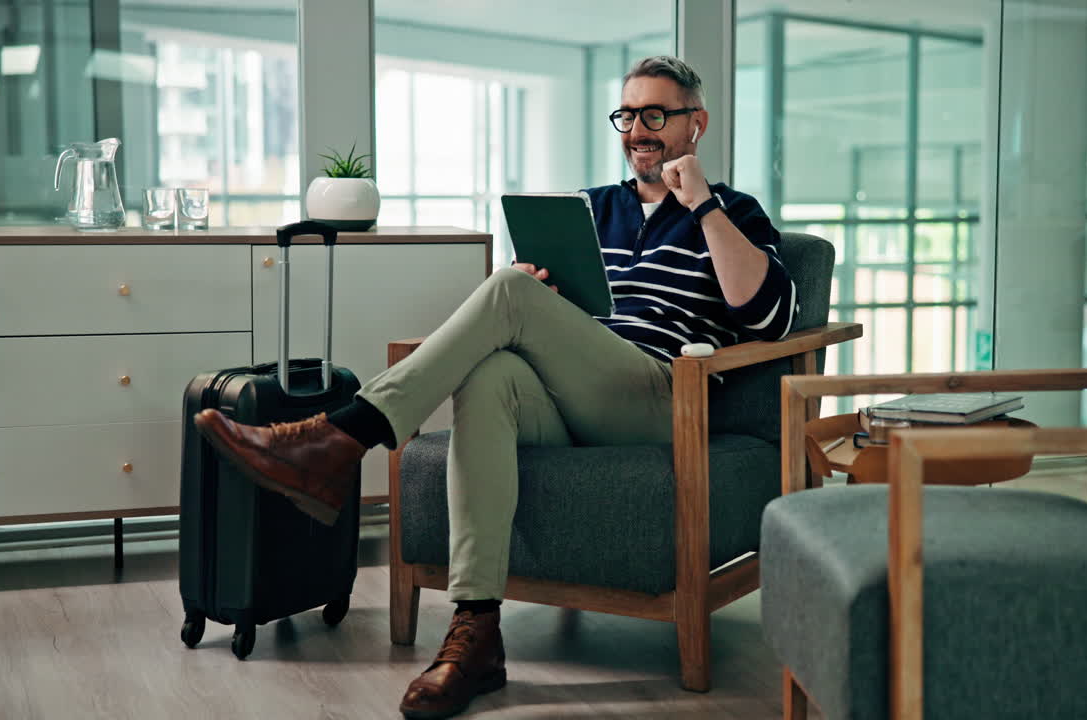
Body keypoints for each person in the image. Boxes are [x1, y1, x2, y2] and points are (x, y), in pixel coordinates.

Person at [193, 55, 798, 720]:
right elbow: (556, 313)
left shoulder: (732, 210)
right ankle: (476, 631)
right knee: (490, 373)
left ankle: (339, 437)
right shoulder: (591, 208)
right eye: (627, 115)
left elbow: (768, 315)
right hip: (573, 390)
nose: (637, 131)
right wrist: (544, 296)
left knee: (507, 295)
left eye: (655, 115)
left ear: (695, 124)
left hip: (660, 397)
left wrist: (703, 204)